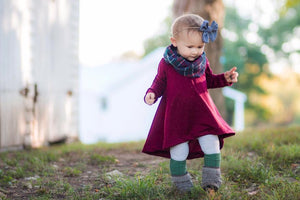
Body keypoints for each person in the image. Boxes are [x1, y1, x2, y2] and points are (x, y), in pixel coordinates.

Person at [142, 14, 238, 193]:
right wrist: (152, 93)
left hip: (202, 112)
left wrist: (225, 78)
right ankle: (182, 185)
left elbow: (209, 80)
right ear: (175, 41)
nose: (195, 51)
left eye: (200, 46)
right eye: (190, 46)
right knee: (179, 150)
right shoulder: (167, 64)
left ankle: (211, 182)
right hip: (177, 115)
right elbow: (159, 82)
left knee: (211, 142)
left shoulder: (202, 61)